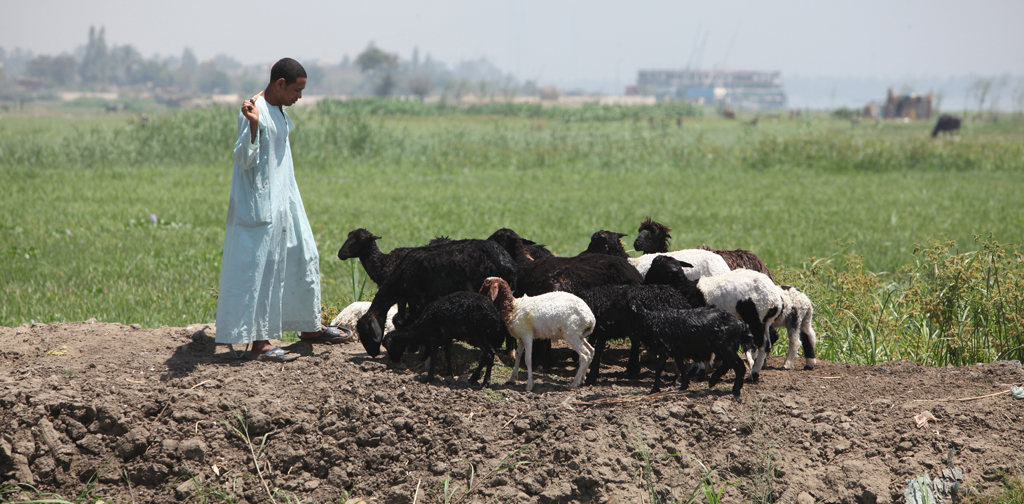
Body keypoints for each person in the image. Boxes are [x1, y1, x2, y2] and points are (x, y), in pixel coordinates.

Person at [215, 57, 351, 362]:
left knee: (304, 254)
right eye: (296, 91)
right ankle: (261, 343)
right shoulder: (254, 110)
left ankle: (308, 327)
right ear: (280, 84)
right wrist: (252, 127)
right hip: (259, 208)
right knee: (262, 271)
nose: (299, 97)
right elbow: (244, 159)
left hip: (285, 200)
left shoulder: (277, 108)